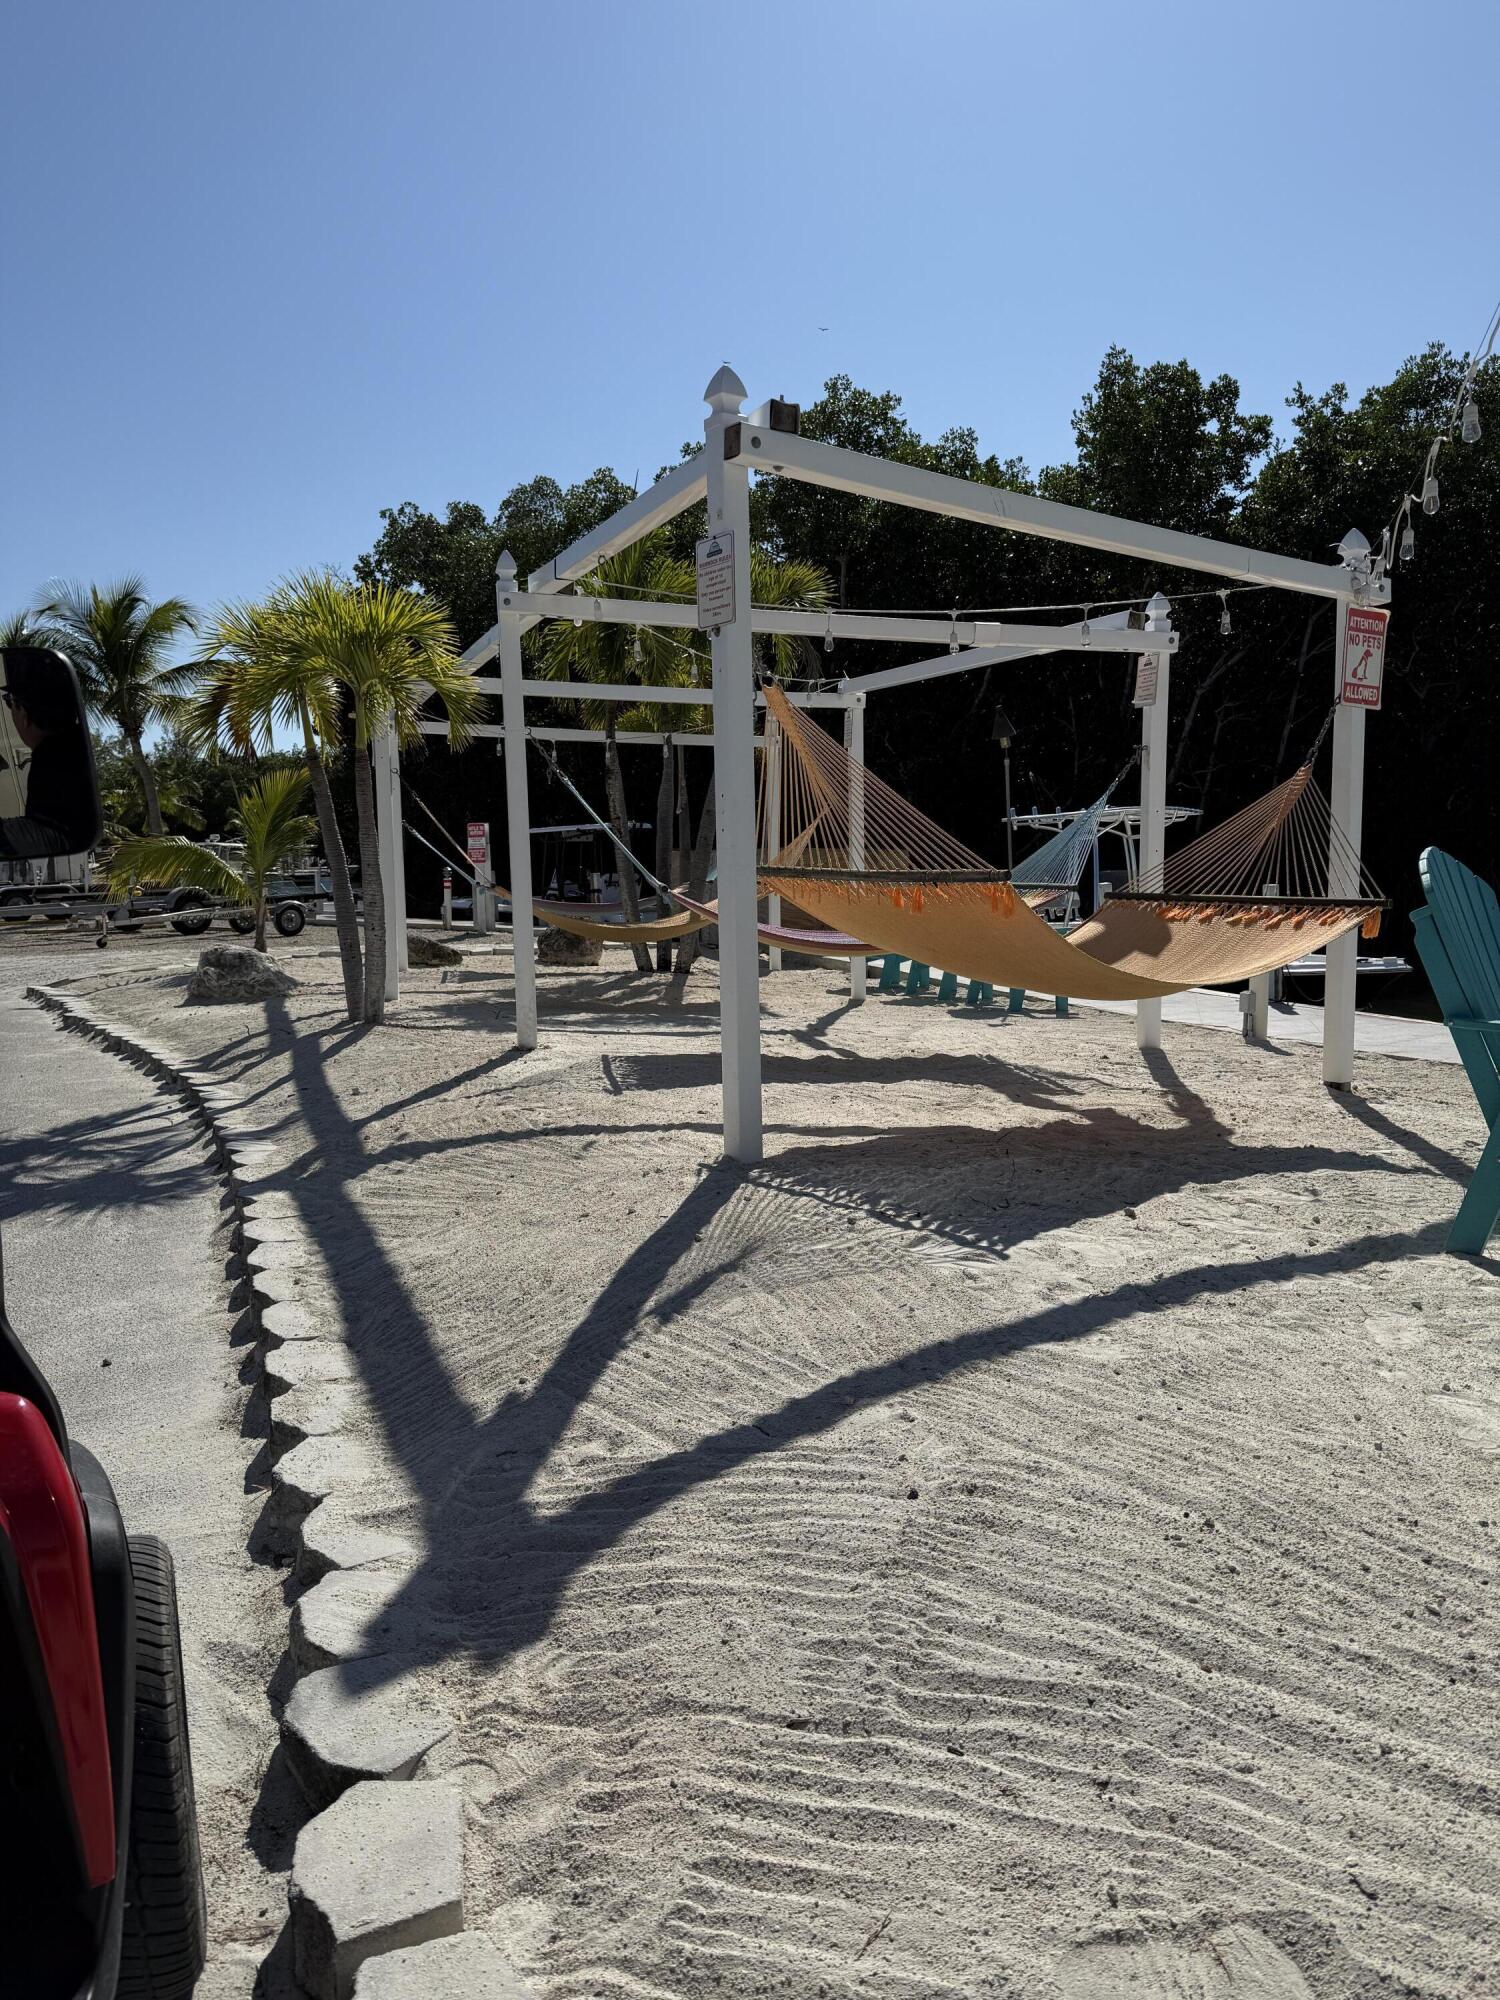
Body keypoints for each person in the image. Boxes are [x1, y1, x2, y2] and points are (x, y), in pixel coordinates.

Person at [0, 652, 97, 858]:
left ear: (24, 713)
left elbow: (43, 833)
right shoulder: (70, 750)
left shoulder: (52, 757)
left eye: (9, 702)